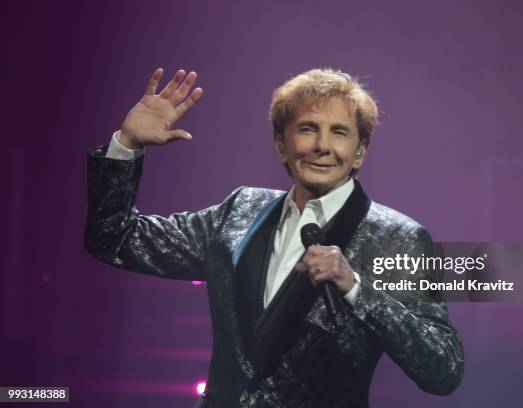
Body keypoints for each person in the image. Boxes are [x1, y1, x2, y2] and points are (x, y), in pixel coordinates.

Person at [85, 67, 464, 408]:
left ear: (359, 151)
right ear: (282, 145)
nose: (323, 146)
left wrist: (356, 289)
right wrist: (127, 146)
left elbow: (443, 368)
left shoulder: (396, 237)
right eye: (307, 128)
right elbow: (115, 238)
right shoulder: (240, 211)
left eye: (339, 132)